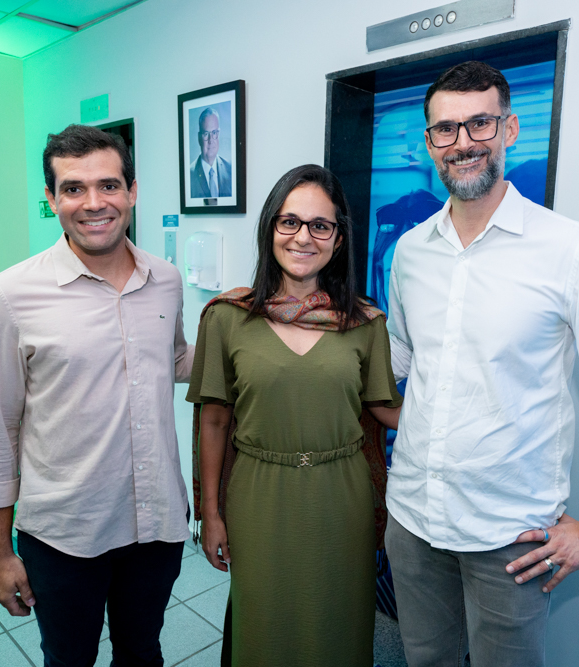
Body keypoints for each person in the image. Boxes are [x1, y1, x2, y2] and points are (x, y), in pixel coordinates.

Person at [385, 61, 579, 667]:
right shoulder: (411, 252)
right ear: (428, 142)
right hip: (413, 522)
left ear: (511, 128)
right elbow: (406, 369)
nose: (463, 142)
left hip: (511, 539)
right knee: (424, 661)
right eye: (446, 129)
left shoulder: (571, 250)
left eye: (480, 123)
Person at [0, 123, 194, 667]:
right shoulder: (10, 295)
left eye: (109, 185)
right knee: (69, 660)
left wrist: (250, 327)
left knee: (142, 653)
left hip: (156, 524)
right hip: (65, 535)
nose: (94, 203)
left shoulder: (164, 279)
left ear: (133, 190)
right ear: (51, 200)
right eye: (73, 188)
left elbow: (176, 360)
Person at [186, 164, 402, 666]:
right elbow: (213, 423)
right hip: (258, 496)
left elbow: (385, 409)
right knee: (265, 625)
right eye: (289, 222)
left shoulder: (364, 323)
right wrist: (211, 515)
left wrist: (470, 411)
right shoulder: (228, 317)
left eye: (319, 226)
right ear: (270, 229)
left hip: (342, 499)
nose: (303, 237)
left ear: (338, 239)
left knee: (339, 623)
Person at [189, 107, 233, 198]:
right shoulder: (189, 175)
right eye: (206, 134)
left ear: (219, 134)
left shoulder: (231, 169)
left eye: (214, 133)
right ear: (199, 138)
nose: (210, 140)